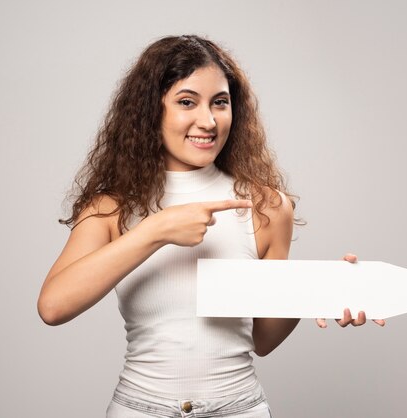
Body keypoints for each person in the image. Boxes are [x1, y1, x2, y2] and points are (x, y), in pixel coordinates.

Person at [37, 34, 384, 418]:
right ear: (152, 111)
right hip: (140, 409)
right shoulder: (112, 206)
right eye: (187, 102)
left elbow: (262, 339)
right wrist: (157, 229)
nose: (208, 121)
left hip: (239, 409)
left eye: (220, 103)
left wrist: (318, 292)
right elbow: (53, 306)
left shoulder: (266, 206)